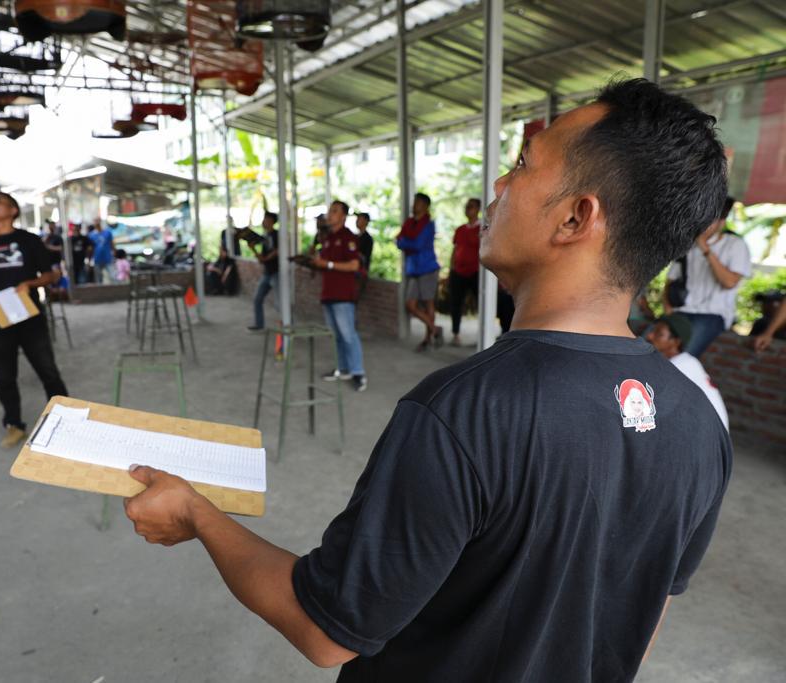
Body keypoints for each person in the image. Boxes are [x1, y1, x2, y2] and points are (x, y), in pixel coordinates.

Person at [120, 79, 732, 681]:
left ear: (576, 218)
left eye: (523, 165)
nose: (498, 184)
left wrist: (197, 515)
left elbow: (327, 632)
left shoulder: (464, 412)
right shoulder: (701, 421)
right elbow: (641, 622)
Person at [0, 192, 69, 449]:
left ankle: (67, 420)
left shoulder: (29, 240)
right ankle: (14, 425)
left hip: (29, 315)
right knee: (4, 376)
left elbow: (51, 275)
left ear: (13, 210)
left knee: (47, 369)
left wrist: (30, 283)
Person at [663, 196, 751, 357]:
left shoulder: (735, 245)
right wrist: (668, 312)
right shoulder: (687, 245)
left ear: (722, 222)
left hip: (712, 315)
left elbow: (729, 282)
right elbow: (670, 281)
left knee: (681, 358)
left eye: (710, 220)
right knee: (649, 347)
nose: (703, 225)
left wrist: (705, 248)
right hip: (680, 311)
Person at [645, 313, 729, 431]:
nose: (649, 336)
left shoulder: (679, 368)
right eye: (652, 331)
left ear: (676, 342)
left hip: (708, 438)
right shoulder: (685, 362)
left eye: (659, 334)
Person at [314, 200, 366, 392]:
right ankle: (343, 368)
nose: (330, 214)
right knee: (336, 335)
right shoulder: (327, 238)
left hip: (343, 295)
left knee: (348, 334)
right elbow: (325, 263)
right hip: (328, 293)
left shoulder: (347, 237)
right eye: (330, 210)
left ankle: (358, 372)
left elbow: (354, 265)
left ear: (343, 216)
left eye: (335, 211)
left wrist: (327, 264)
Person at [396, 193, 442, 351]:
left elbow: (416, 244)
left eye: (418, 202)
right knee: (410, 304)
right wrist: (405, 242)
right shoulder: (409, 222)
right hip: (413, 269)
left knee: (428, 302)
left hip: (427, 268)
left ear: (425, 206)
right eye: (414, 201)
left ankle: (427, 338)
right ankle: (435, 328)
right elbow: (398, 242)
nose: (414, 205)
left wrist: (404, 242)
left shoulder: (429, 224)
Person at [444, 197, 482, 345]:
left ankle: (482, 335)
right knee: (456, 303)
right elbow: (455, 250)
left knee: (481, 303)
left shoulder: (482, 229)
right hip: (458, 272)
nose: (468, 209)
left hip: (476, 272)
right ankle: (455, 334)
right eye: (466, 206)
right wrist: (451, 269)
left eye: (471, 206)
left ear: (478, 209)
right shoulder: (460, 229)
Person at [248, 211, 280, 331]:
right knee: (257, 299)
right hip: (267, 273)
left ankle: (288, 324)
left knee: (280, 303)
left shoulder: (276, 235)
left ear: (271, 221)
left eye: (265, 219)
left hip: (277, 272)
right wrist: (253, 250)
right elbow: (262, 259)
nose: (263, 221)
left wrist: (265, 258)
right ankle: (259, 324)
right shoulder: (264, 237)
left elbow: (277, 251)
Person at [89, 219, 115, 284]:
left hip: (107, 258)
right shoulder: (91, 235)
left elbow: (112, 244)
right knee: (98, 279)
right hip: (97, 259)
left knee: (112, 276)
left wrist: (114, 253)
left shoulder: (108, 233)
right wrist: (90, 259)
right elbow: (90, 248)